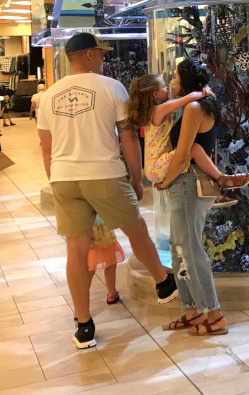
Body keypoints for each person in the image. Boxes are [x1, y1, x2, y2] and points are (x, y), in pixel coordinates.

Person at [37, 33, 178, 350]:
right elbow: (128, 137)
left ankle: (84, 326)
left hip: (63, 177)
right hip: (103, 173)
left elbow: (45, 148)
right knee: (135, 227)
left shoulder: (48, 96)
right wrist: (137, 177)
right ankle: (162, 281)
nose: (102, 58)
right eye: (99, 53)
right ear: (88, 55)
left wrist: (56, 178)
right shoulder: (111, 87)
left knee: (76, 250)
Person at [156, 59, 228, 336]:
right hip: (183, 182)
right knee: (178, 247)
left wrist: (166, 180)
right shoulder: (197, 103)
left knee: (189, 248)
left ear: (185, 80)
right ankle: (192, 309)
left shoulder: (195, 108)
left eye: (175, 77)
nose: (173, 82)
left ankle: (214, 314)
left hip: (188, 182)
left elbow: (184, 153)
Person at [126, 74, 249, 205]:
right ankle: (221, 178)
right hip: (156, 166)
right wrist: (203, 92)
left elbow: (172, 103)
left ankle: (216, 193)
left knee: (191, 150)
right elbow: (185, 100)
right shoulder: (158, 110)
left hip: (154, 166)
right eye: (163, 87)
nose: (167, 88)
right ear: (155, 94)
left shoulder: (154, 112)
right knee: (194, 149)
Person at [88, 216, 125, 305]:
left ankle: (80, 303)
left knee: (89, 264)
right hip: (103, 223)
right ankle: (112, 293)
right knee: (110, 259)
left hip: (86, 225)